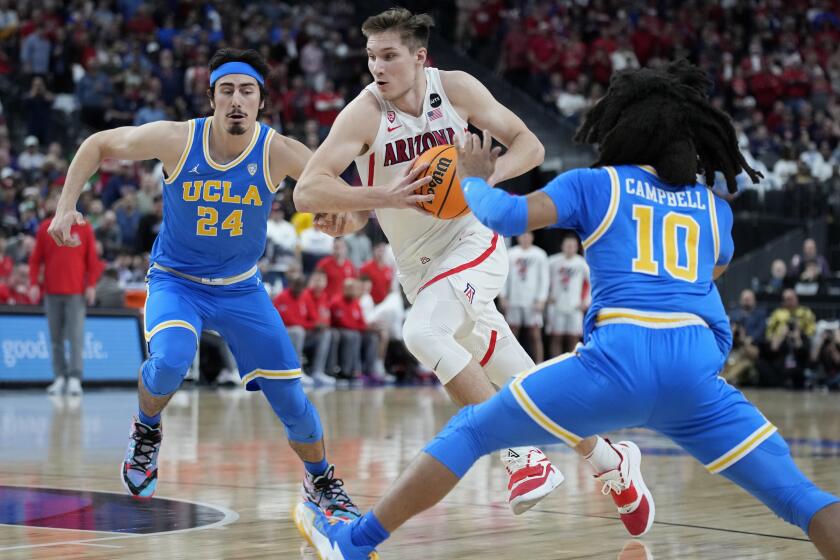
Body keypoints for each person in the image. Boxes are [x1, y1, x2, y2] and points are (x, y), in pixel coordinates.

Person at [295, 60, 840, 559]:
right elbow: (713, 270)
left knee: (471, 428)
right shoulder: (714, 208)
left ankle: (354, 541)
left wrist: (473, 178)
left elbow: (507, 216)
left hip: (617, 360)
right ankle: (610, 461)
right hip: (695, 372)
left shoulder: (598, 184)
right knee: (802, 498)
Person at [295, 7, 618, 515]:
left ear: (420, 57)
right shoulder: (364, 112)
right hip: (418, 268)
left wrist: (479, 181)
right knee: (518, 373)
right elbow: (309, 191)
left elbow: (528, 146)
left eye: (389, 56)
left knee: (422, 334)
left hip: (475, 240)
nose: (377, 68)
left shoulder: (457, 88)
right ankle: (609, 459)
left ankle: (522, 454)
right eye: (371, 57)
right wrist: (372, 203)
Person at [47, 48, 360, 520]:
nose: (237, 100)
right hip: (177, 282)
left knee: (293, 402)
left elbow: (352, 204)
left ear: (260, 100)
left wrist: (345, 222)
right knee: (171, 359)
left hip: (241, 288)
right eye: (227, 90)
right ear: (212, 97)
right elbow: (97, 144)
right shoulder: (178, 139)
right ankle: (146, 430)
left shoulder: (279, 150)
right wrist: (65, 205)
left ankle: (321, 480)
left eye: (247, 91)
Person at [29, 198, 100, 396]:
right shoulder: (46, 228)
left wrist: (92, 286)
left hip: (76, 292)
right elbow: (35, 260)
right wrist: (34, 283)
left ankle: (75, 378)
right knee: (55, 338)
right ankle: (60, 377)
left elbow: (92, 261)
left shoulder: (84, 228)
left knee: (75, 337)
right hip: (51, 292)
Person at [500, 231, 549, 362]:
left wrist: (542, 299)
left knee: (535, 334)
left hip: (533, 301)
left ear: (532, 237)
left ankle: (538, 363)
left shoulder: (540, 254)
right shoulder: (511, 253)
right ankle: (511, 361)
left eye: (527, 235)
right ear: (518, 237)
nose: (525, 238)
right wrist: (503, 296)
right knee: (512, 332)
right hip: (514, 299)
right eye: (522, 235)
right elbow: (504, 276)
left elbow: (544, 279)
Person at [546, 234, 589, 356]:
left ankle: (572, 362)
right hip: (557, 305)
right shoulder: (553, 261)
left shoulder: (581, 263)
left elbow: (592, 283)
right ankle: (553, 362)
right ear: (562, 246)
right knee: (556, 337)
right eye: (567, 245)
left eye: (573, 246)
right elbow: (543, 279)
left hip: (574, 306)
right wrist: (546, 296)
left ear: (577, 247)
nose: (570, 248)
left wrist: (586, 302)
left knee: (573, 338)